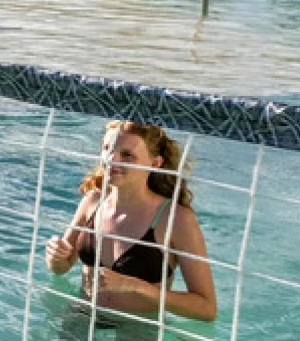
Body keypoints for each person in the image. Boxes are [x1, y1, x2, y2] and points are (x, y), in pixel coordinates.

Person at [45, 120, 216, 322]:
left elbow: (207, 308)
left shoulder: (175, 219)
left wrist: (135, 286)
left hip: (138, 328)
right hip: (85, 314)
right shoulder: (93, 202)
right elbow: (61, 267)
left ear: (155, 163)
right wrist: (55, 257)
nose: (111, 160)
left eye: (127, 155)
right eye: (107, 149)